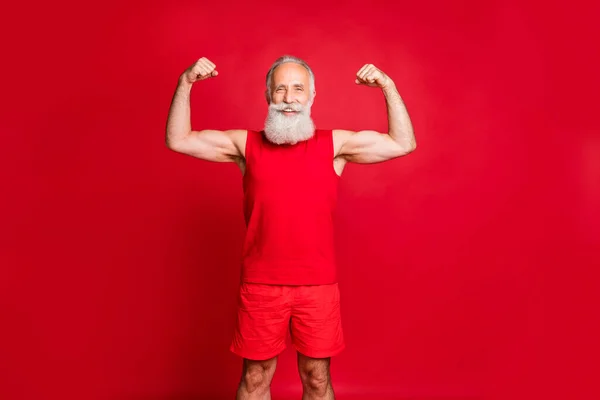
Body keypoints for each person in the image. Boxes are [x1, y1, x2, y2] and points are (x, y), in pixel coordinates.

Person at [165, 55, 416, 400]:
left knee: (316, 378)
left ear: (312, 96)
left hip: (317, 287)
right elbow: (179, 139)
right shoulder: (245, 145)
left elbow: (403, 143)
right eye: (280, 89)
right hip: (260, 286)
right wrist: (186, 82)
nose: (288, 97)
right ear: (268, 96)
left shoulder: (334, 146)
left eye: (298, 89)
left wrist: (387, 86)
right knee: (255, 379)